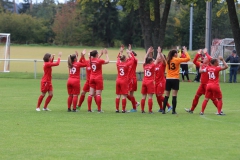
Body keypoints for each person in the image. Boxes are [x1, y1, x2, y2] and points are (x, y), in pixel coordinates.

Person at [185, 48, 219, 113]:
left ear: (208, 60)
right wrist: (198, 54)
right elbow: (194, 61)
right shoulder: (202, 65)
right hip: (202, 85)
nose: (204, 58)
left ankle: (220, 110)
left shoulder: (210, 65)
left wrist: (206, 53)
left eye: (205, 58)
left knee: (212, 98)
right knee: (196, 96)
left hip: (207, 85)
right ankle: (192, 109)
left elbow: (211, 59)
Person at [162, 46, 190, 114]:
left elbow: (164, 61)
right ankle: (173, 111)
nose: (177, 54)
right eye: (176, 53)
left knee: (166, 95)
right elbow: (188, 58)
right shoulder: (177, 60)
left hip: (168, 79)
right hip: (175, 79)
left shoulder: (168, 60)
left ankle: (163, 110)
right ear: (174, 54)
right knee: (174, 95)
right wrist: (185, 51)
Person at [115, 45, 133, 113]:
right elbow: (132, 60)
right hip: (124, 80)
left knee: (118, 95)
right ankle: (123, 109)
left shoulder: (118, 64)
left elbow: (118, 58)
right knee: (124, 96)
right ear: (125, 59)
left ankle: (117, 109)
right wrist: (129, 53)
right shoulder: (126, 64)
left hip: (118, 80)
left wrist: (120, 52)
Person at [154, 46, 172, 112]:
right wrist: (157, 53)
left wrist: (160, 53)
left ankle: (169, 106)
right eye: (158, 57)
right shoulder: (156, 64)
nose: (158, 57)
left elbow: (164, 60)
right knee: (157, 96)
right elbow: (155, 60)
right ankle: (161, 108)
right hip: (156, 82)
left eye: (160, 57)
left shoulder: (162, 64)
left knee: (159, 95)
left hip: (161, 82)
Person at [140, 47, 156, 113]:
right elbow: (156, 60)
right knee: (150, 97)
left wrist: (148, 52)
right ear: (150, 61)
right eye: (152, 60)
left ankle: (142, 110)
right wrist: (158, 52)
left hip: (144, 81)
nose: (153, 61)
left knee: (143, 96)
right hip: (150, 82)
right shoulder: (152, 66)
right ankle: (150, 110)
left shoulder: (145, 65)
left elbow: (145, 59)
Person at [126, 44, 140, 112]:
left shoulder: (134, 60)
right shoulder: (128, 60)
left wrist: (130, 51)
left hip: (132, 78)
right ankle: (135, 103)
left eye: (129, 54)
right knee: (125, 93)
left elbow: (133, 58)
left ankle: (134, 108)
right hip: (128, 78)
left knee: (130, 94)